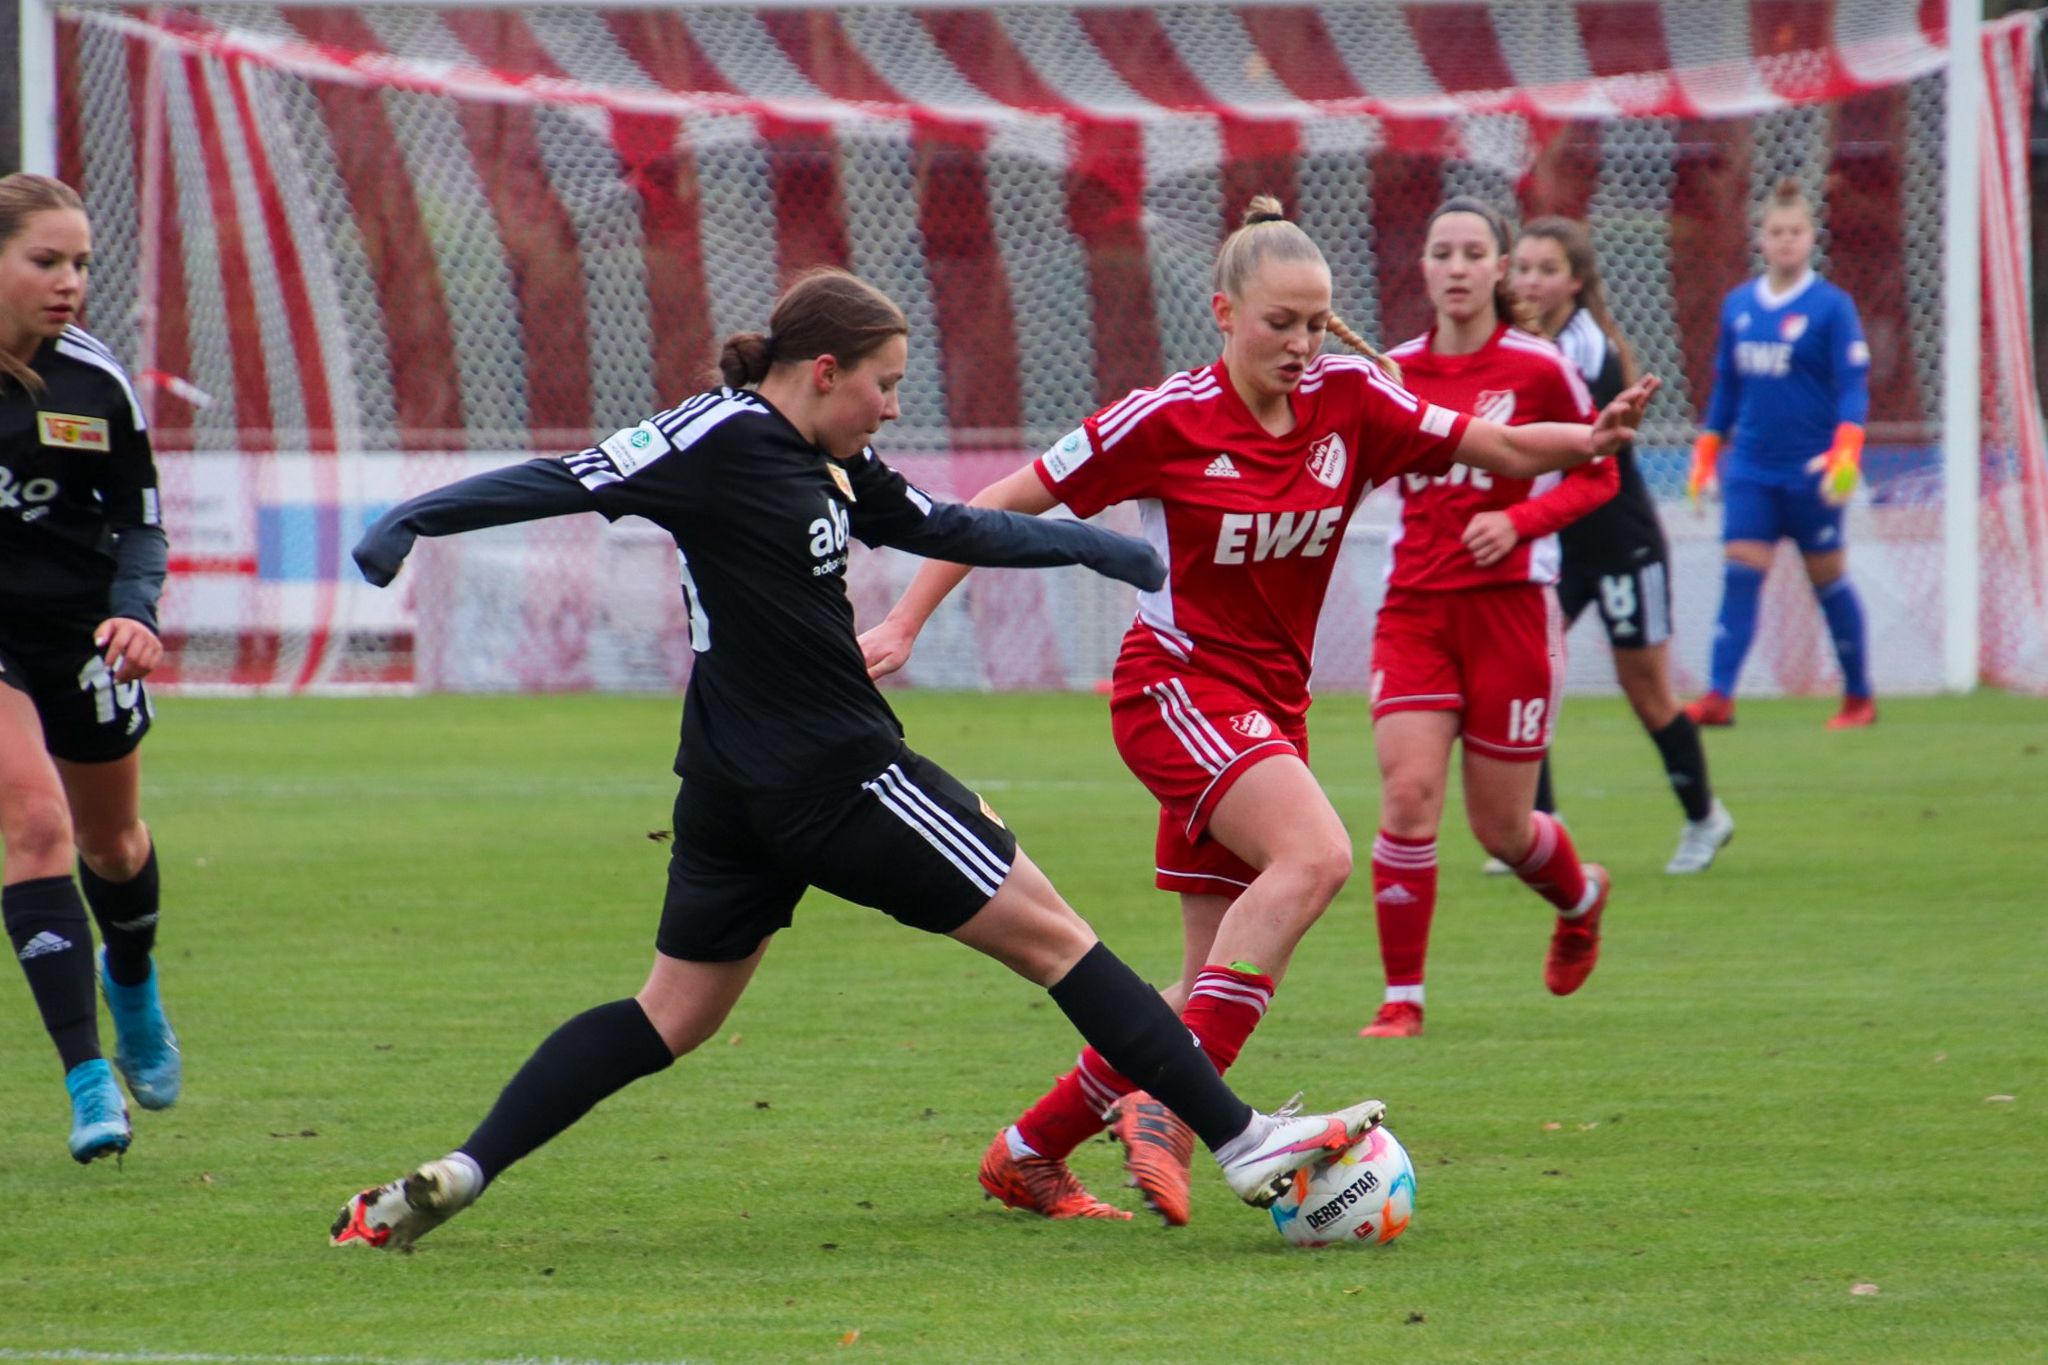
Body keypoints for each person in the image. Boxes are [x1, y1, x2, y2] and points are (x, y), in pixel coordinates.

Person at [329, 268, 1386, 1252]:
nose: (890, 408)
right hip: (839, 775)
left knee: (671, 1014)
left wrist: (1088, 545)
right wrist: (411, 520)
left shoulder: (832, 459)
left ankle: (466, 1170)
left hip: (731, 789)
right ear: (821, 371)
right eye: (882, 386)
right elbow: (569, 477)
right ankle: (1247, 1146)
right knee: (1061, 942)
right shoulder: (713, 437)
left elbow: (946, 524)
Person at [861, 199, 1655, 1223]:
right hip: (1174, 691)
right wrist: (905, 621)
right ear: (1224, 312)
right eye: (1278, 322)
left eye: (1316, 322)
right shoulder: (1165, 416)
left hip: (1266, 713)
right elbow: (1004, 503)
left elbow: (1494, 448)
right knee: (1318, 856)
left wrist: (1586, 435)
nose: (1299, 344)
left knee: (1197, 984)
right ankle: (1180, 1114)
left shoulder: (1352, 404)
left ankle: (1029, 1150)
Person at [1358, 197, 1629, 1041]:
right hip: (1415, 613)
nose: (1459, 266)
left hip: (1511, 614)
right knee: (1406, 796)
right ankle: (1404, 998)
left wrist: (1518, 521)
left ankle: (1579, 898)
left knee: (1502, 828)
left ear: (1500, 269)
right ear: (1426, 269)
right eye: (1443, 251)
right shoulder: (1391, 370)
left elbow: (1599, 476)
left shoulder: (1541, 368)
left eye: (1476, 252)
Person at [0, 172, 180, 1164]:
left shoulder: (94, 380)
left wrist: (133, 615)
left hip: (81, 633)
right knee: (36, 826)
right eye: (45, 260)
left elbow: (141, 527)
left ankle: (135, 983)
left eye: (80, 264)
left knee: (111, 845)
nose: (69, 281)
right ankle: (86, 1078)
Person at [1507, 217, 1735, 876]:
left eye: (1546, 269)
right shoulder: (1523, 340)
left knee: (1648, 693)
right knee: (1524, 671)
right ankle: (1538, 826)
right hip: (1556, 538)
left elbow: (1543, 443)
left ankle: (1704, 818)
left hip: (1618, 541)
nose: (1530, 280)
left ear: (1575, 282)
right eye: (1521, 267)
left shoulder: (1582, 350)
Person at [1684, 178, 1876, 729]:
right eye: (1776, 232)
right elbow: (1727, 387)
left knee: (1828, 580)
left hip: (1812, 472)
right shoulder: (1739, 306)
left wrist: (1845, 450)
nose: (1786, 241)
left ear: (1811, 238)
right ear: (1761, 239)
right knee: (1741, 573)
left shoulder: (1832, 308)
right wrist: (1707, 452)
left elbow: (1852, 387)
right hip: (1752, 470)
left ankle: (1859, 697)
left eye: (1795, 232)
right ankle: (1719, 696)